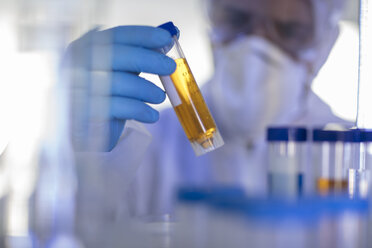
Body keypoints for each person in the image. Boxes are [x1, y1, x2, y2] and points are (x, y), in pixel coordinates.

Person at [66, 0, 349, 221]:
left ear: (323, 43)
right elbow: (68, 228)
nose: (256, 44)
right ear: (212, 19)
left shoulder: (352, 156)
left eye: (288, 29)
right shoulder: (136, 143)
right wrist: (73, 152)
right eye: (237, 20)